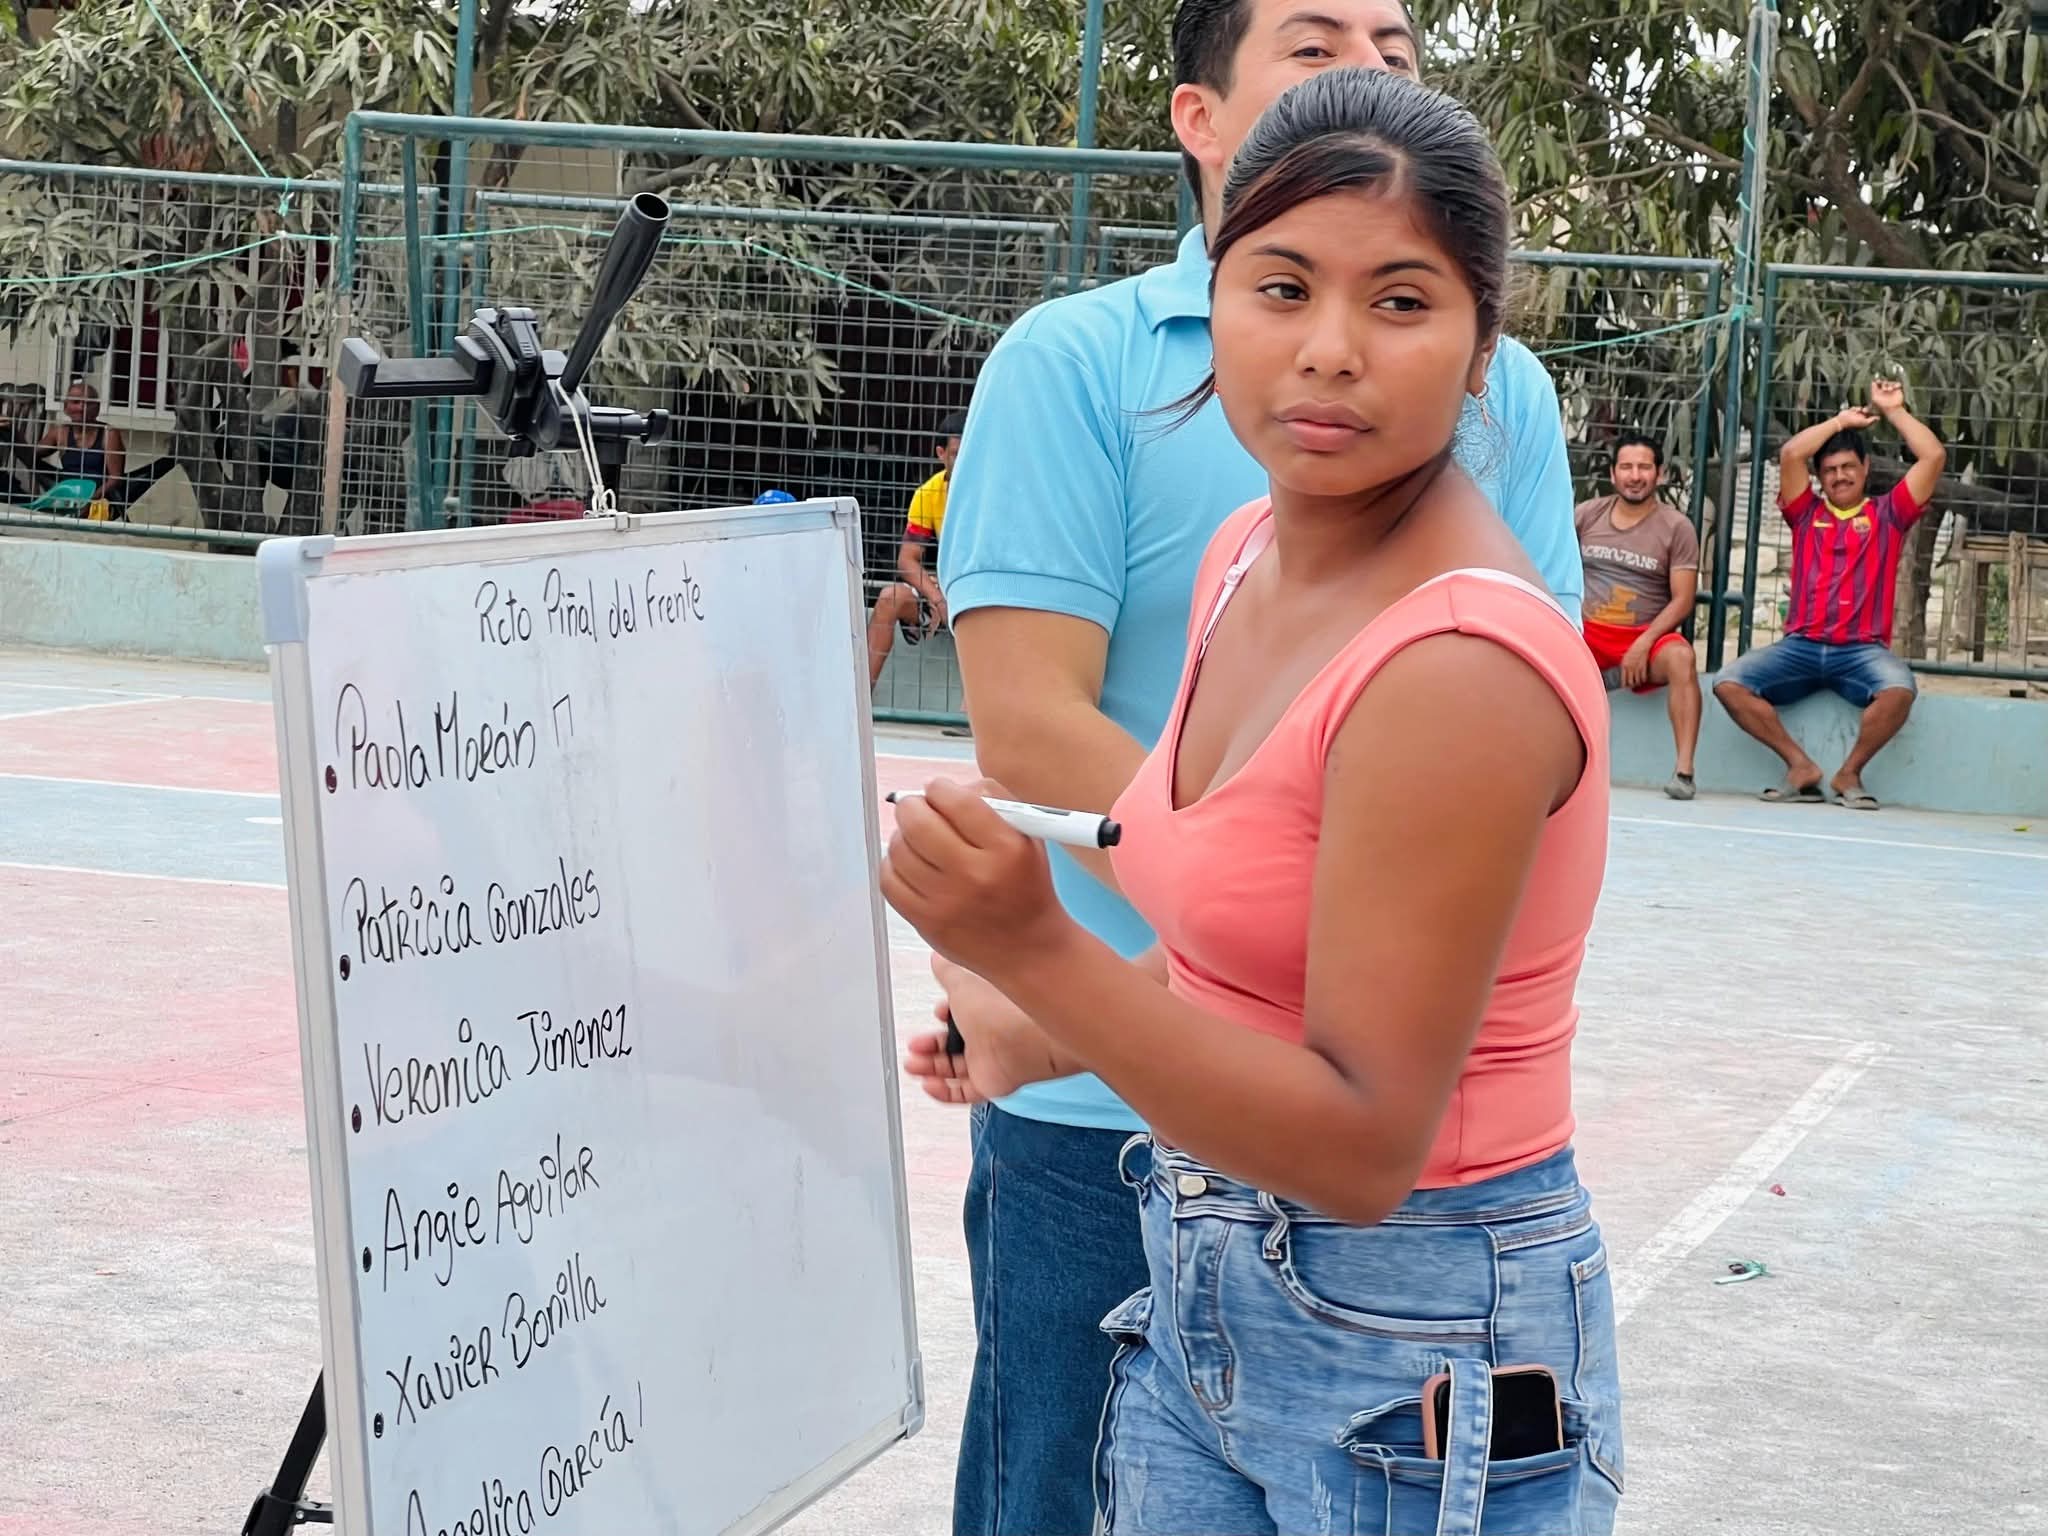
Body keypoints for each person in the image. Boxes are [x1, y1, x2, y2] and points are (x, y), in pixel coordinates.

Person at [888, 68, 1621, 1536]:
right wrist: (1037, 1031)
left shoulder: (1458, 664)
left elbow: (1359, 1147)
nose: (1329, 351)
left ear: (1480, 347)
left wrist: (1037, 952)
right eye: (1281, 288)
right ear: (1211, 301)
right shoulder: (1245, 558)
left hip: (1420, 1341)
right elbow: (1250, 941)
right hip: (1205, 1283)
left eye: (1400, 302)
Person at [1712, 378, 1944, 810]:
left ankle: (1849, 773)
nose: (1840, 476)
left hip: (1861, 651)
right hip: (1799, 647)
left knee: (1899, 690)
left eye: (1848, 467)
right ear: (1819, 478)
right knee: (1729, 683)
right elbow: (1790, 454)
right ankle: (1800, 766)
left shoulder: (1889, 514)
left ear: (1866, 467)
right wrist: (1840, 421)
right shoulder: (1805, 514)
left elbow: (1932, 456)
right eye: (1830, 470)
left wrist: (1893, 411)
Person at [1576, 430, 1701, 798]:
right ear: (1612, 474)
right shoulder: (1586, 515)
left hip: (1643, 635)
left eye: (1644, 468)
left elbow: (1683, 600)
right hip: (1587, 631)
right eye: (1626, 467)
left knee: (1681, 658)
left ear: (1659, 474)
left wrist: (1644, 643)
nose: (1635, 476)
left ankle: (1684, 773)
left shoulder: (1677, 527)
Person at [866, 411, 964, 688]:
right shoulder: (928, 493)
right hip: (941, 590)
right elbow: (907, 559)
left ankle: (973, 711)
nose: (965, 463)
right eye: (957, 455)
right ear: (941, 454)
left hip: (980, 591)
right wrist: (937, 596)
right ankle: (857, 699)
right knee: (890, 598)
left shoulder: (993, 492)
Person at [39, 379, 124, 497]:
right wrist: (14, 434)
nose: (81, 408)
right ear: (65, 407)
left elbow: (115, 478)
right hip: (68, 495)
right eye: (75, 402)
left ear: (97, 408)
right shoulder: (60, 432)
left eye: (88, 403)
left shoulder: (109, 433)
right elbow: (29, 454)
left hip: (100, 497)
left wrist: (90, 500)